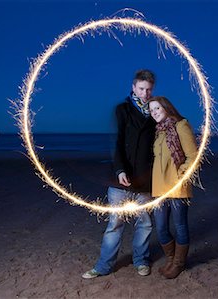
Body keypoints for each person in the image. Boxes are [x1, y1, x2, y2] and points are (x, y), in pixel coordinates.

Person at [82, 70, 156, 279]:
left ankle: (141, 260)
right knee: (115, 224)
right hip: (120, 179)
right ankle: (103, 266)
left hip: (145, 180)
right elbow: (117, 142)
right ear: (133, 87)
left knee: (145, 223)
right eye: (141, 88)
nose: (145, 93)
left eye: (149, 89)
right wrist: (120, 169)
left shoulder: (155, 111)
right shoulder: (122, 109)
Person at [148, 96, 198, 279]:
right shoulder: (158, 132)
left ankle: (178, 264)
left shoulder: (181, 125)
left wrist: (181, 175)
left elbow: (193, 156)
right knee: (160, 228)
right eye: (151, 110)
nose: (154, 113)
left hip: (177, 187)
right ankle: (171, 259)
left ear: (167, 108)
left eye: (157, 109)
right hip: (159, 188)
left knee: (180, 226)